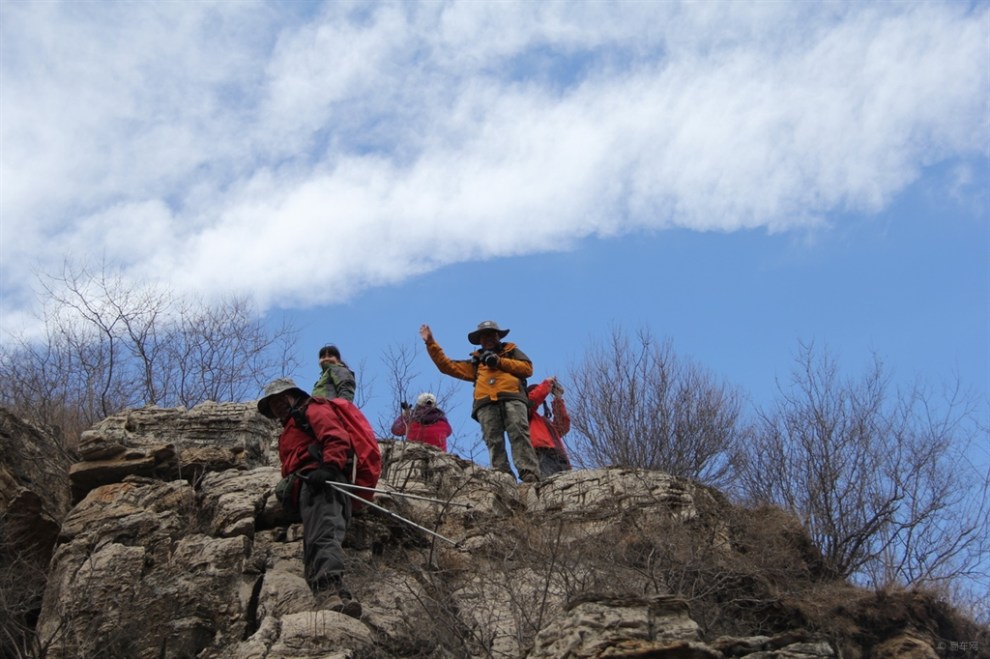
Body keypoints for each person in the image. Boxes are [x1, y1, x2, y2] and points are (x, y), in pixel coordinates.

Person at [258, 377, 366, 618]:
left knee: (323, 534)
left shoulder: (313, 409)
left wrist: (328, 467)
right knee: (318, 535)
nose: (276, 407)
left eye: (278, 400)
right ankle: (339, 596)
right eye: (271, 405)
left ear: (291, 395)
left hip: (324, 482)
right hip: (311, 485)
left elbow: (335, 436)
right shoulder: (291, 427)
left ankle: (329, 591)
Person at [419, 320, 541, 483]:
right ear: (479, 341)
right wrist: (431, 343)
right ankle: (502, 477)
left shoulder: (511, 351)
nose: (488, 339)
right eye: (484, 336)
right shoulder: (476, 364)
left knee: (519, 434)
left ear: (498, 336)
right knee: (493, 441)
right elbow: (447, 366)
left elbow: (527, 369)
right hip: (485, 404)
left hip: (512, 397)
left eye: (491, 335)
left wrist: (499, 362)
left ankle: (530, 474)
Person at [528, 377, 572, 478]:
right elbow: (532, 400)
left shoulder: (544, 422)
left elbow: (563, 426)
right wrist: (547, 383)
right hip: (542, 453)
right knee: (549, 483)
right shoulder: (525, 415)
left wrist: (558, 398)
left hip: (559, 455)